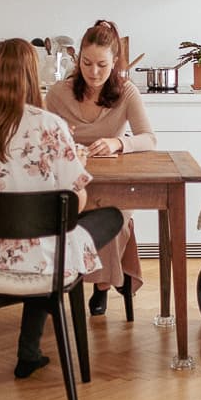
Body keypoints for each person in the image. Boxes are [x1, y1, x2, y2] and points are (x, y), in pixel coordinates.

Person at [0, 38, 123, 379]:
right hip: (42, 264)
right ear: (30, 73)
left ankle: (30, 348)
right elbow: (74, 203)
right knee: (105, 217)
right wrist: (76, 162)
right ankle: (29, 345)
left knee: (47, 233)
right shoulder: (48, 126)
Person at [45, 19, 156, 316]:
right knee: (62, 215)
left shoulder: (127, 92)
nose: (94, 73)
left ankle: (101, 286)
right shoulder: (58, 93)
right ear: (77, 58)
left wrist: (118, 144)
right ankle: (67, 284)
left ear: (115, 62)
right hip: (72, 182)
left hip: (115, 183)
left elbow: (149, 138)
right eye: (87, 63)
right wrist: (59, 136)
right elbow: (42, 142)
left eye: (102, 65)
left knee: (116, 218)